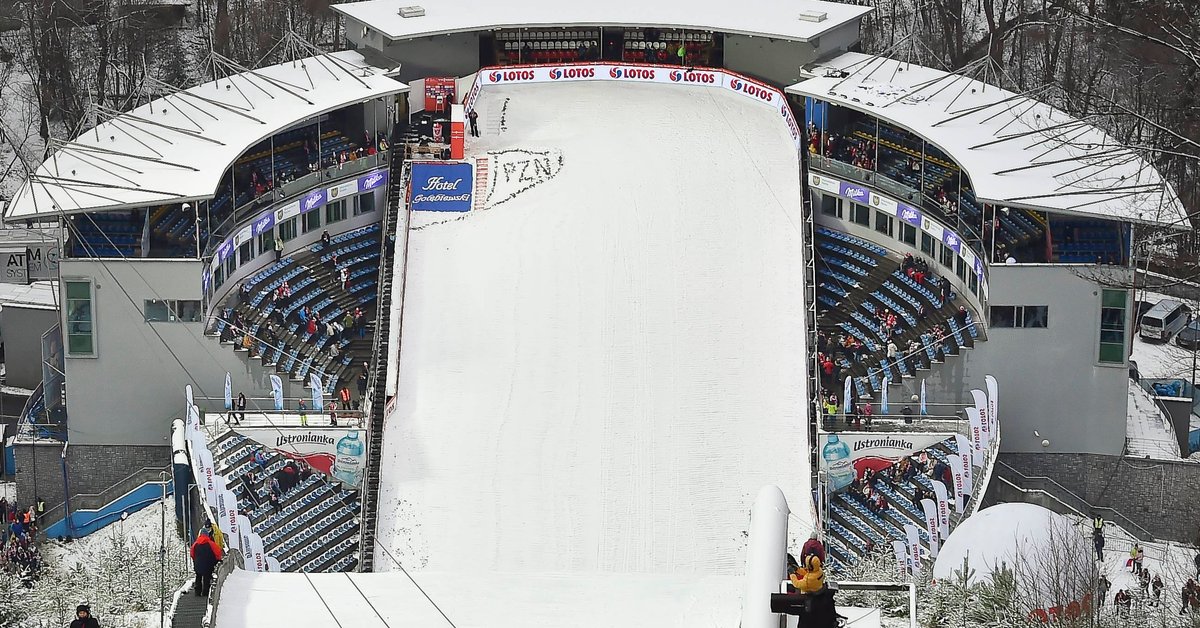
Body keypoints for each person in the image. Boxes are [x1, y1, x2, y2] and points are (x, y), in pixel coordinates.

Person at [189, 529, 223, 597]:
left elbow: (192, 554)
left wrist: (196, 560)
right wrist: (218, 560)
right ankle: (205, 593)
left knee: (198, 577)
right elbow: (218, 553)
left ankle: (197, 592)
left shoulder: (195, 544)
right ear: (207, 535)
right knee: (206, 578)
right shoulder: (211, 544)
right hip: (208, 565)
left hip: (198, 564)